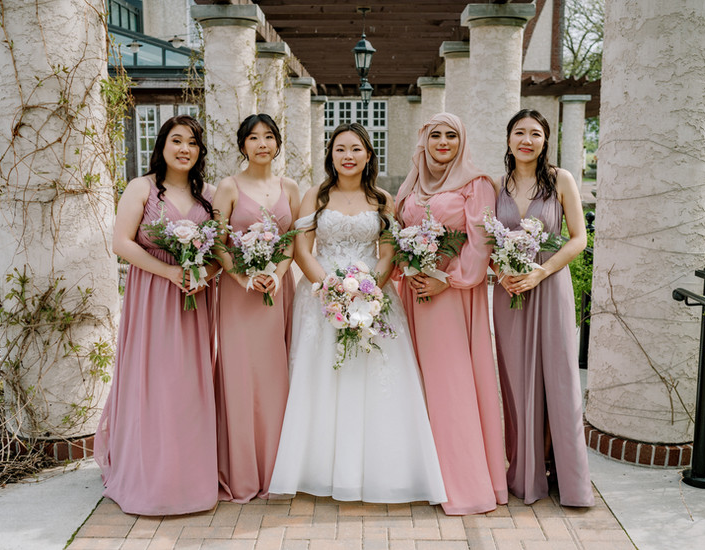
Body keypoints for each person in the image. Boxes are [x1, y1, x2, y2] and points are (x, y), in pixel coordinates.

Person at [268, 123, 446, 504]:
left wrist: (368, 290)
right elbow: (302, 249)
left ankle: (383, 470)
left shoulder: (382, 199)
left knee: (375, 378)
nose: (347, 156)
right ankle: (315, 469)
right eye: (339, 149)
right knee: (322, 378)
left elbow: (387, 253)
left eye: (355, 149)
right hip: (320, 298)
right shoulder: (316, 195)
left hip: (374, 298)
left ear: (368, 155)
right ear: (331, 156)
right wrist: (330, 288)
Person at [95, 115, 218, 515]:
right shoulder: (141, 188)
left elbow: (220, 251)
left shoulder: (210, 196)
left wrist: (203, 272)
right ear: (162, 145)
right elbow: (120, 242)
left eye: (193, 143)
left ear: (200, 152)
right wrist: (169, 271)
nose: (185, 149)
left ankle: (189, 476)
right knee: (154, 382)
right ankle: (150, 476)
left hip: (194, 300)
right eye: (177, 140)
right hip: (151, 295)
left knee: (187, 387)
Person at [396, 112, 508, 515]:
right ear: (423, 141)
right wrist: (405, 270)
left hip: (451, 296)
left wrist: (449, 279)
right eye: (435, 135)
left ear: (462, 141)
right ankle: (423, 475)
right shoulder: (412, 184)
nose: (443, 142)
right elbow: (396, 234)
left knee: (450, 384)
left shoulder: (477, 184)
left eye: (452, 135)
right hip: (413, 295)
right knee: (415, 382)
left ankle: (462, 483)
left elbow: (481, 241)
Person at [491, 109, 594, 507]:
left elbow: (578, 238)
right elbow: (486, 238)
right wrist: (502, 270)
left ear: (545, 140)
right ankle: (525, 472)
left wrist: (540, 272)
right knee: (517, 382)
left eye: (535, 133)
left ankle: (566, 477)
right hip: (508, 292)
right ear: (509, 139)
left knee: (559, 378)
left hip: (549, 287)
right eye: (520, 132)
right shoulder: (496, 184)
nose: (527, 140)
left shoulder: (561, 180)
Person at [212, 114, 300, 502]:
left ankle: (278, 470)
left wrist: (278, 275)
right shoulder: (228, 188)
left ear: (278, 143)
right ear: (242, 145)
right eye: (253, 137)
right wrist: (243, 278)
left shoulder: (291, 187)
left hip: (278, 290)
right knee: (241, 376)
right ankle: (244, 472)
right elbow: (217, 243)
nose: (261, 143)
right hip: (239, 294)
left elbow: (293, 240)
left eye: (268, 136)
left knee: (276, 376)